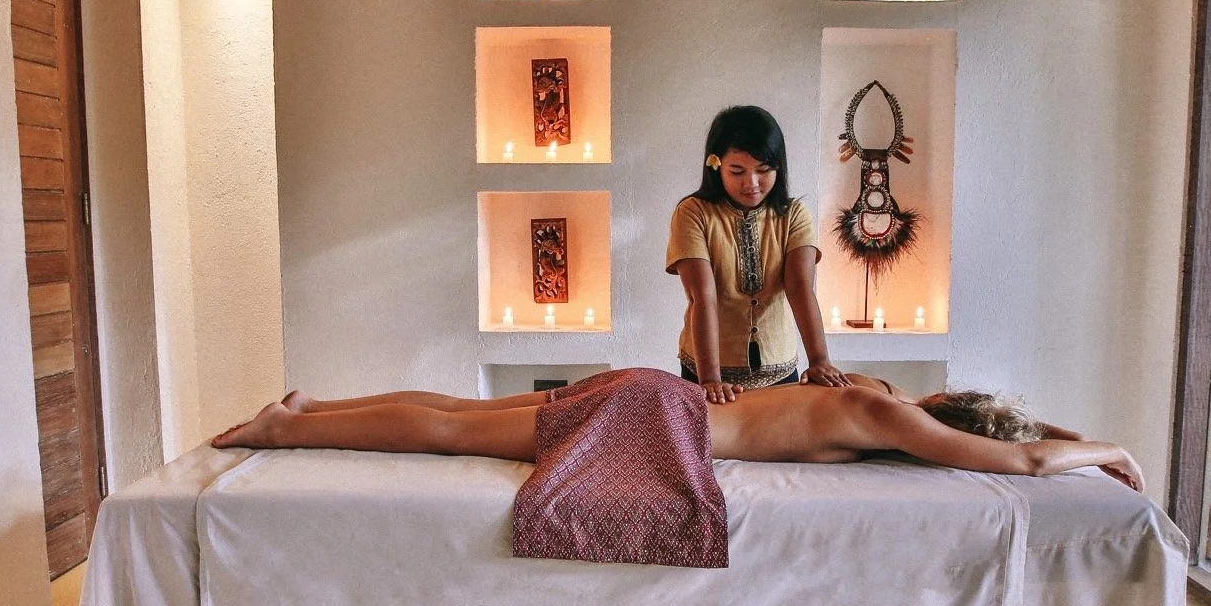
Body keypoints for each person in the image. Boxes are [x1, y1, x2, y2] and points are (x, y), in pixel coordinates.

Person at [211, 372, 1144, 492]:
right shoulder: (883, 417)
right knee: (457, 432)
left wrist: (1086, 428)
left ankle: (301, 413)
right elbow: (1021, 457)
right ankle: (286, 431)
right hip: (657, 421)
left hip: (662, 396)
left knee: (462, 413)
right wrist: (1111, 448)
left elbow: (1014, 437)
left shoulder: (876, 396)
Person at [669, 106, 844, 404]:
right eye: (737, 171)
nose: (751, 183)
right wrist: (710, 379)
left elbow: (800, 288)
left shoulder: (794, 215)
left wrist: (819, 360)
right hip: (708, 372)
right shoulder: (693, 213)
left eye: (763, 170)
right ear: (715, 165)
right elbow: (703, 297)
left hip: (780, 373)